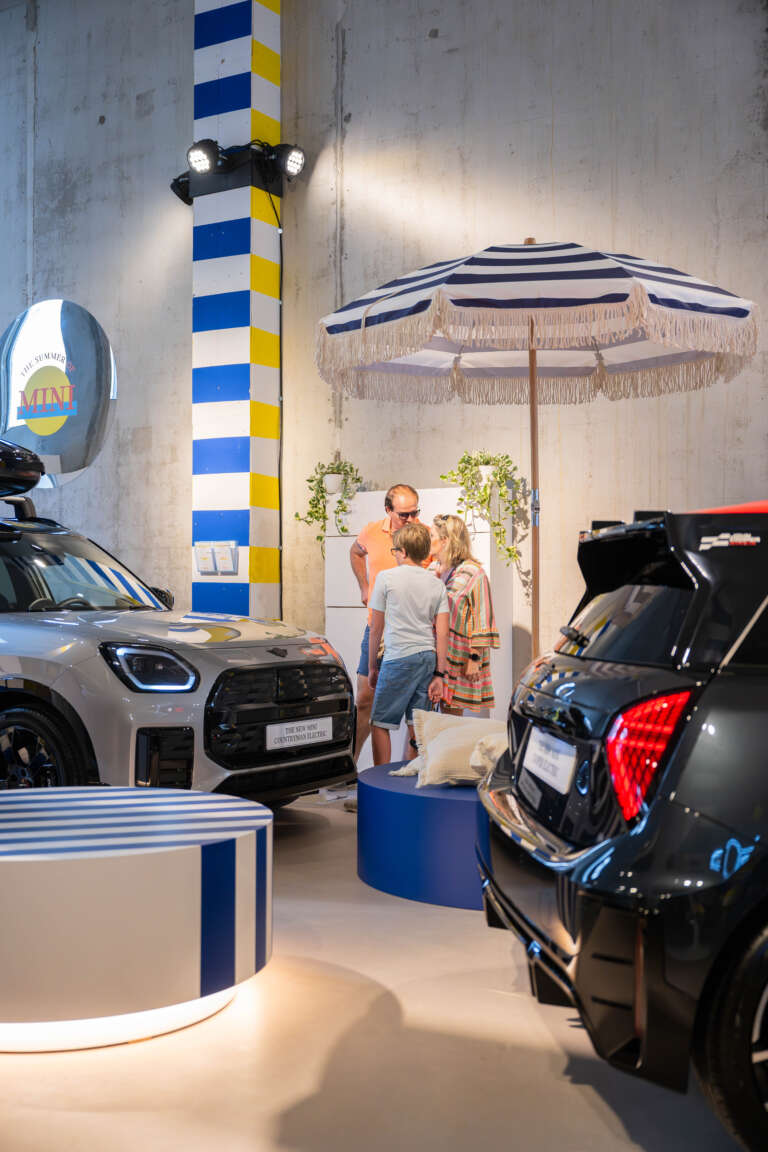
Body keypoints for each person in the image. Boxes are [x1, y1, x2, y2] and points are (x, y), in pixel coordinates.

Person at [349, 483, 425, 761]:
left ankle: (406, 776)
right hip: (378, 629)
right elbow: (356, 552)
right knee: (364, 700)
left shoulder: (422, 535)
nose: (411, 519)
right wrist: (364, 586)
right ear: (388, 510)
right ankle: (349, 767)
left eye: (415, 512)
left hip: (413, 634)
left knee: (414, 709)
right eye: (404, 514)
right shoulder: (372, 531)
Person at [368, 522, 448, 766]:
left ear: (402, 551)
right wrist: (439, 674)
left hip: (399, 657)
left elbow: (376, 628)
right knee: (418, 723)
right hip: (427, 657)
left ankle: (380, 784)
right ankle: (415, 777)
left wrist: (372, 666)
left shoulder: (386, 578)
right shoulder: (437, 583)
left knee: (380, 723)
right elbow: (442, 633)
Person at [429, 514, 499, 713]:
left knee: (451, 719)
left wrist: (475, 659)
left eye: (432, 535)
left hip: (459, 657)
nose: (428, 540)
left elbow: (483, 618)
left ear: (445, 541)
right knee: (423, 721)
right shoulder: (431, 569)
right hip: (432, 654)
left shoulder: (473, 573)